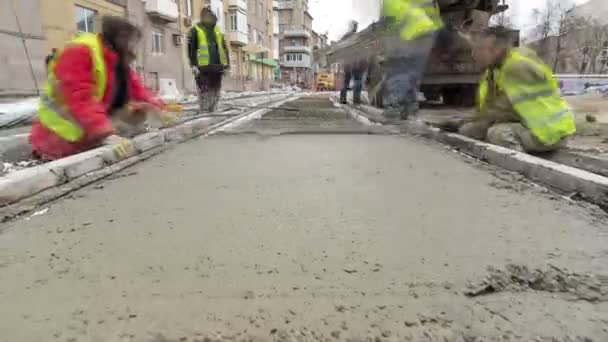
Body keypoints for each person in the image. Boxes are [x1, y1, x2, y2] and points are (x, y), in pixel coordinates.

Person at [29, 16, 170, 161]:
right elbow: (81, 98)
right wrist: (106, 134)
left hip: (86, 134)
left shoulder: (114, 58)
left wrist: (161, 109)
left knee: (139, 111)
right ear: (119, 38)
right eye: (131, 42)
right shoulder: (80, 51)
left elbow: (137, 89)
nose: (134, 49)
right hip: (58, 138)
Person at [456, 29, 576, 153]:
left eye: (479, 50)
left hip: (547, 131)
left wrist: (464, 122)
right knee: (469, 130)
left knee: (497, 133)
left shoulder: (515, 68)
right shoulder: (495, 70)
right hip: (527, 124)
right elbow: (488, 107)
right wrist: (464, 122)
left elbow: (502, 111)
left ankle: (523, 165)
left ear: (495, 50)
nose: (473, 55)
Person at [381, 0, 443, 121]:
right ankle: (410, 111)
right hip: (423, 41)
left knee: (399, 76)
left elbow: (387, 24)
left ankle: (394, 110)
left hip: (404, 42)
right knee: (412, 76)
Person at [188, 6, 230, 113]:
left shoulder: (218, 30)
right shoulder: (195, 29)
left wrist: (226, 66)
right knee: (204, 91)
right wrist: (193, 65)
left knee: (215, 91)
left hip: (217, 68)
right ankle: (205, 111)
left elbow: (224, 49)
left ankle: (213, 110)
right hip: (203, 68)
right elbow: (191, 48)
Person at [339, 21, 365, 105]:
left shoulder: (344, 37)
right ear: (354, 27)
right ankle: (356, 100)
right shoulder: (359, 37)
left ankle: (343, 98)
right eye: (356, 26)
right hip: (356, 63)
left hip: (347, 63)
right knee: (357, 81)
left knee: (346, 81)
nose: (356, 27)